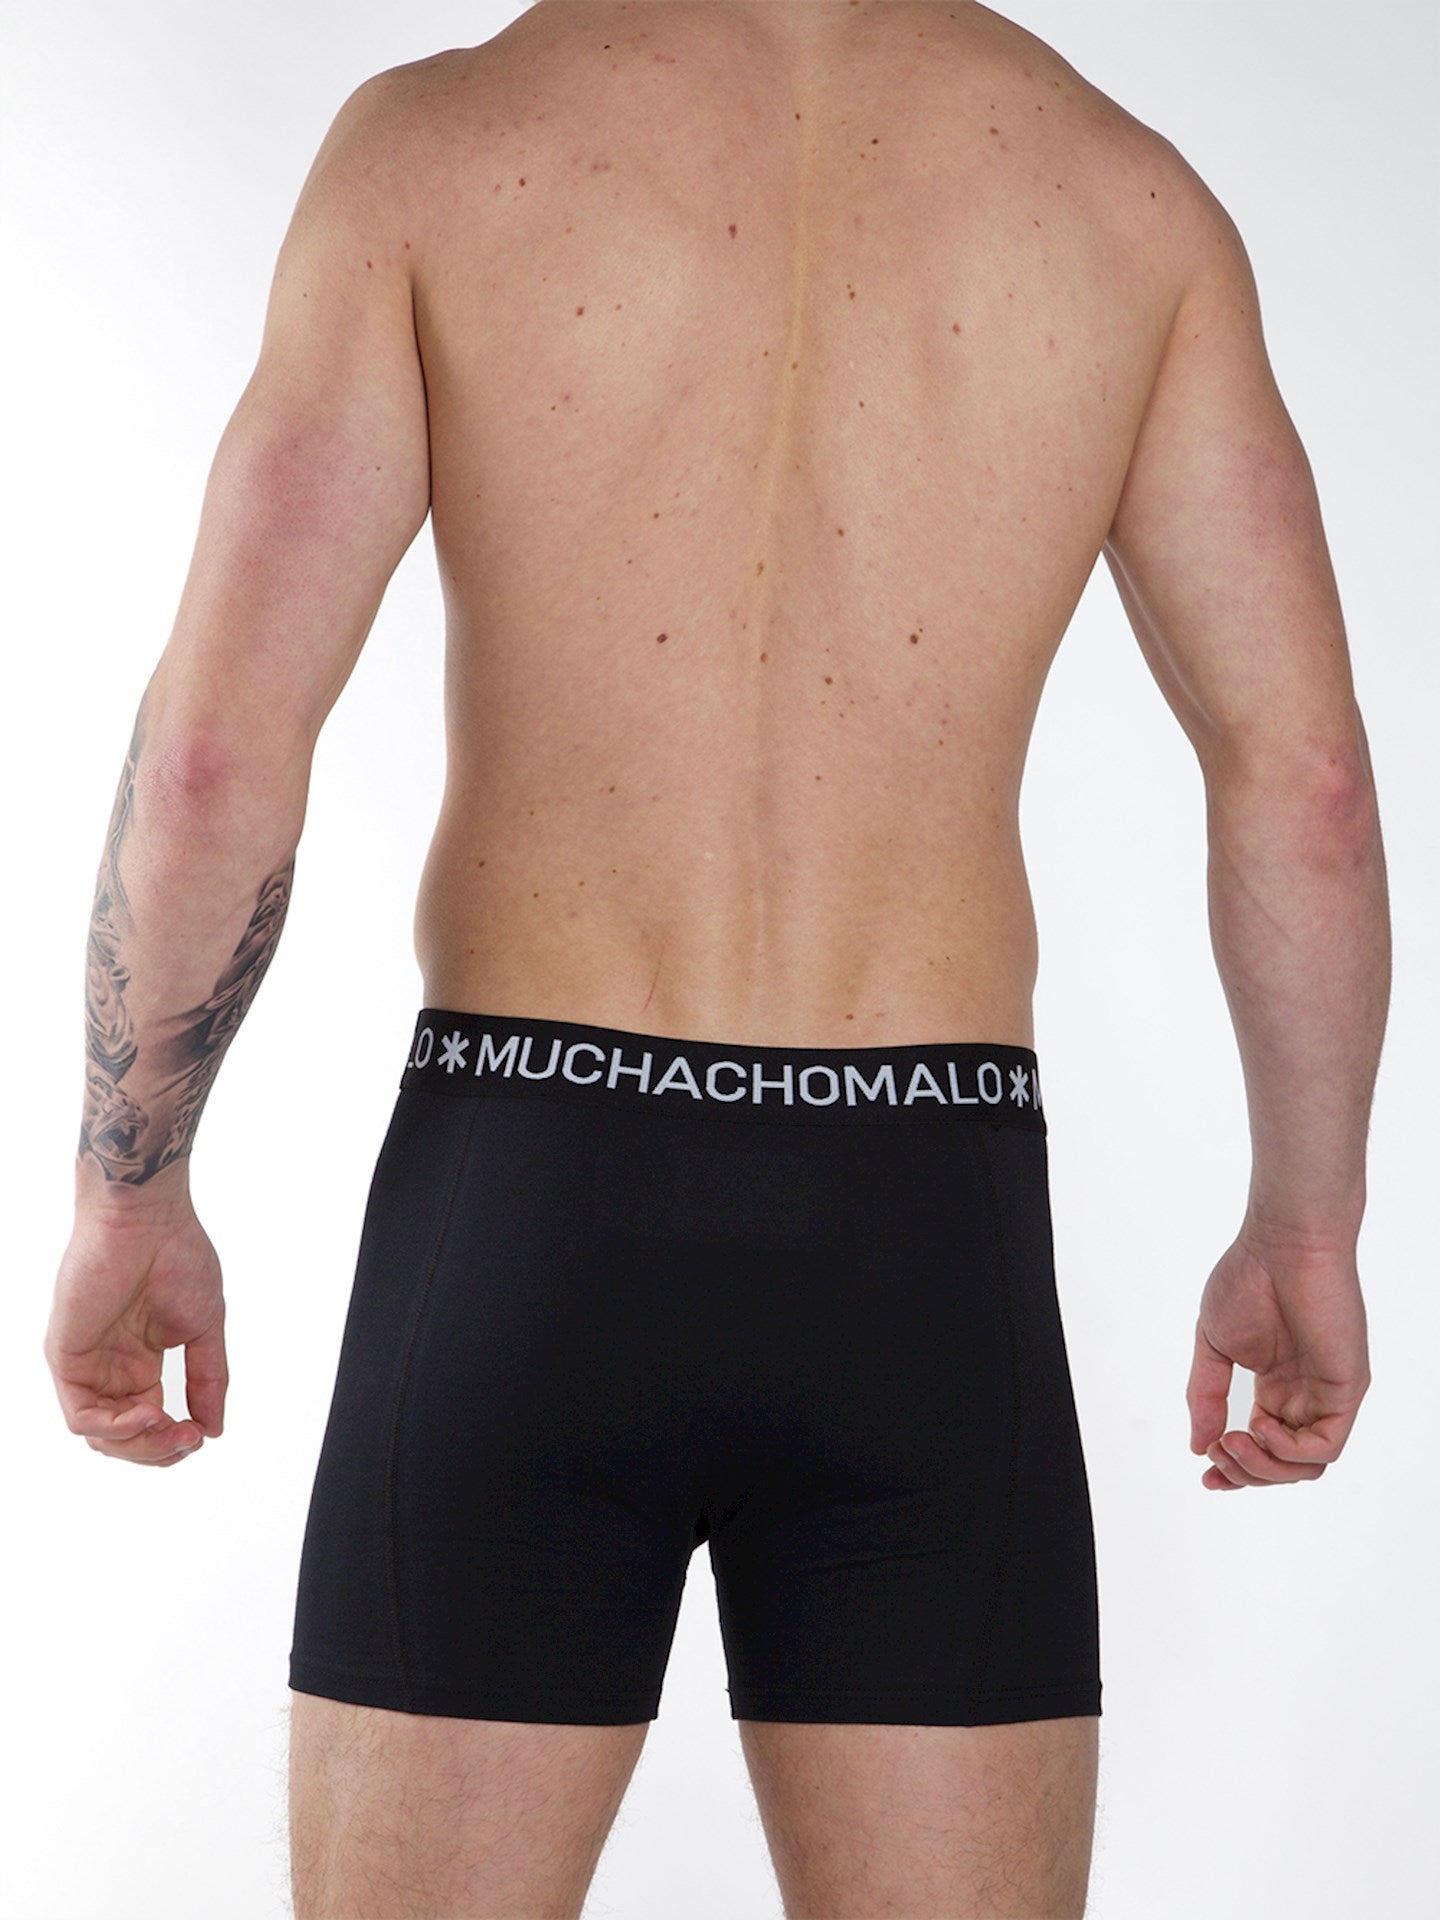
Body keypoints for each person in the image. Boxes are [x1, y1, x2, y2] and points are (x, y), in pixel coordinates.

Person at [42, 1, 1389, 1914]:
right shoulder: (1129, 206)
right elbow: (1308, 785)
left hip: (529, 1185)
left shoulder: (440, 149)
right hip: (928, 1225)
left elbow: (208, 760)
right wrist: (1307, 1227)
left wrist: (129, 1188)